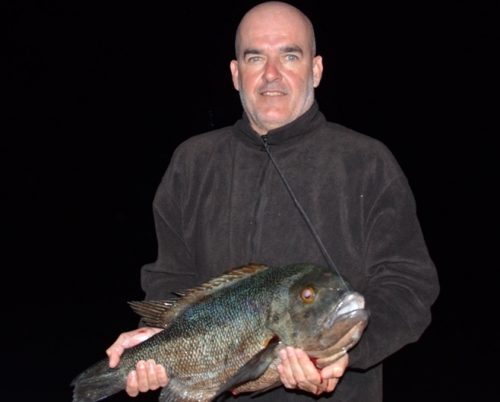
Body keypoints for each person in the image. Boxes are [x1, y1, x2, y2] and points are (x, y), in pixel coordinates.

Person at [106, 1, 439, 401]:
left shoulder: (366, 162)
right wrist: (158, 341)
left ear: (315, 69)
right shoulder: (193, 162)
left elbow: (409, 286)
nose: (271, 74)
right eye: (255, 57)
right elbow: (171, 278)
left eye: (290, 55)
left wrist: (346, 351)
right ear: (235, 74)